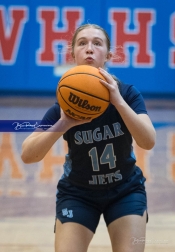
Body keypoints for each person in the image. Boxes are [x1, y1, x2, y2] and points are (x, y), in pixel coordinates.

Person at [21, 24, 156, 252]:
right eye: (82, 43)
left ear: (108, 55)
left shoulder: (128, 94)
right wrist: (64, 123)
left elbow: (148, 141)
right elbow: (27, 154)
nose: (89, 49)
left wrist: (118, 103)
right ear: (73, 54)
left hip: (125, 190)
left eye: (97, 43)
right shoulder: (64, 104)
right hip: (78, 193)